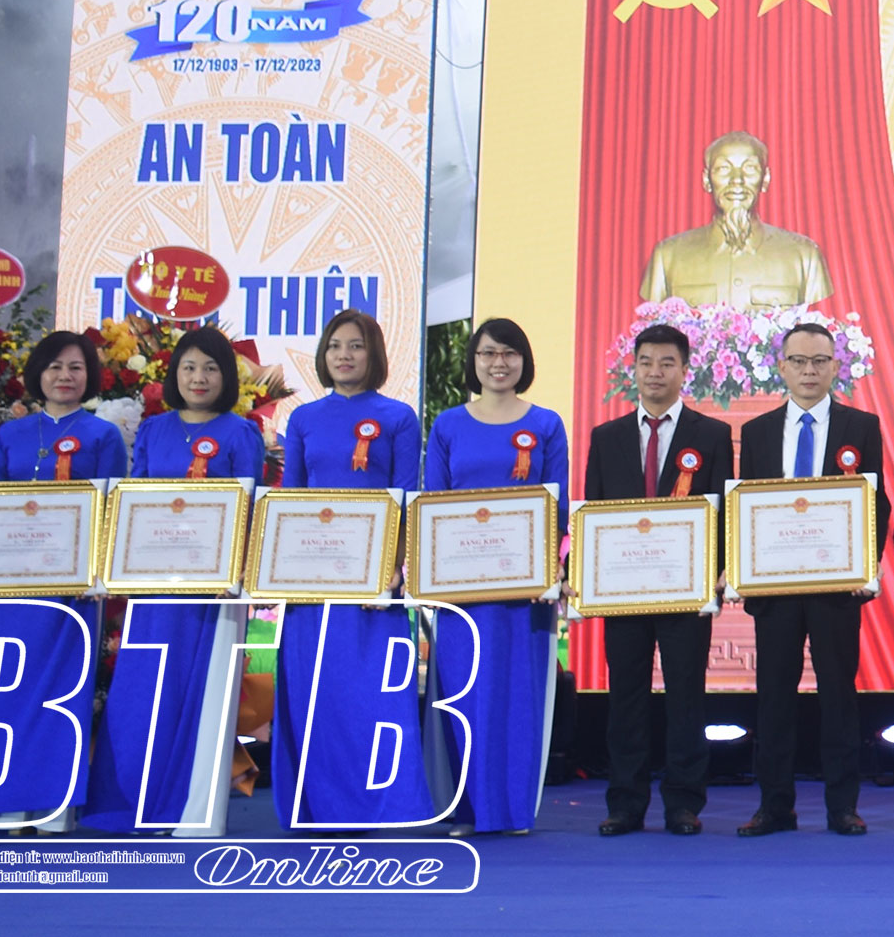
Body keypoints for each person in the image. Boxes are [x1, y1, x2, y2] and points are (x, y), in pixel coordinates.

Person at [88, 326, 262, 835]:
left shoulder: (241, 433)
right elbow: (135, 501)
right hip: (154, 587)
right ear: (174, 374)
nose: (198, 377)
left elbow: (250, 508)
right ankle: (132, 804)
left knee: (202, 694)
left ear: (226, 377)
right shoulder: (153, 431)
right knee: (143, 690)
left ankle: (192, 813)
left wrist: (237, 570)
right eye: (189, 367)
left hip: (215, 592)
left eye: (210, 368)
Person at [272, 310, 431, 831]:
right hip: (312, 587)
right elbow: (292, 501)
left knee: (370, 699)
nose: (344, 355)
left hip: (372, 588)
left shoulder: (398, 417)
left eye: (356, 346)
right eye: (336, 345)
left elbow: (405, 499)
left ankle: (382, 806)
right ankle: (319, 809)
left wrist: (394, 569)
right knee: (316, 698)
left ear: (374, 354)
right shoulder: (303, 419)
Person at [734, 322, 889, 839]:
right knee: (773, 697)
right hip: (776, 589)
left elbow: (876, 504)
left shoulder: (861, 426)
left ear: (836, 368)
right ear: (781, 367)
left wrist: (866, 566)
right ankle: (774, 806)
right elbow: (746, 506)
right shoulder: (756, 431)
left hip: (836, 588)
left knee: (839, 696)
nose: (809, 371)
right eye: (798, 361)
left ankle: (842, 807)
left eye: (819, 361)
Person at [0, 330, 127, 830]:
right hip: (13, 589)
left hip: (72, 592)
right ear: (37, 373)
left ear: (90, 376)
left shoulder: (103, 436)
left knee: (63, 695)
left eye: (76, 367)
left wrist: (95, 573)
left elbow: (111, 511)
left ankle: (55, 807)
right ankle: (7, 802)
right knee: (6, 689)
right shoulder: (11, 435)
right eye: (55, 366)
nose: (65, 376)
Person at [582, 323, 733, 837]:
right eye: (646, 362)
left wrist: (720, 571)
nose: (655, 372)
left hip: (687, 590)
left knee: (687, 696)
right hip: (624, 591)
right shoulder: (606, 438)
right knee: (625, 696)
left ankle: (683, 803)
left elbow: (723, 512)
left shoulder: (711, 435)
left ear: (685, 371)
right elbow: (594, 514)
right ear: (634, 369)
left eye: (667, 363)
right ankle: (625, 803)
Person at [421, 318, 568, 836]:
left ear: (524, 361)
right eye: (487, 353)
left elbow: (557, 508)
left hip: (523, 594)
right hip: (461, 594)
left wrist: (551, 567)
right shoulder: (447, 425)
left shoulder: (547, 424)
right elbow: (433, 505)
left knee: (516, 698)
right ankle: (466, 809)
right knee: (462, 697)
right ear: (473, 361)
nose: (498, 363)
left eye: (509, 353)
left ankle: (511, 811)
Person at [638, 130, 832, 308]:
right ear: (706, 180)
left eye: (750, 168)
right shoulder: (668, 256)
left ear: (765, 179)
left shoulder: (804, 256)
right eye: (723, 168)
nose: (737, 180)